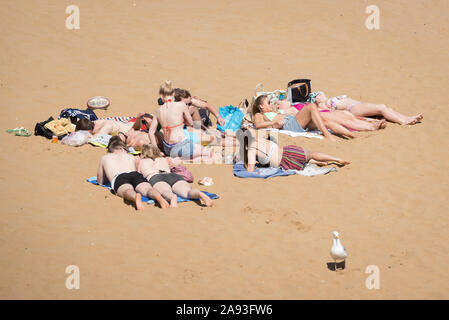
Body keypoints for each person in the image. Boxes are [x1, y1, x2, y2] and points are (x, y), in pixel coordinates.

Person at [149, 80, 217, 160]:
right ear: (173, 94)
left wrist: (157, 151)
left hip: (168, 149)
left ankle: (179, 158)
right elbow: (191, 123)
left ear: (161, 96)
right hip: (181, 146)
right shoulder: (181, 105)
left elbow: (150, 133)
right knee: (212, 155)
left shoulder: (158, 111)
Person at [96, 136, 169, 209]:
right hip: (135, 174)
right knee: (147, 189)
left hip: (119, 177)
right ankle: (158, 197)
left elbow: (100, 181)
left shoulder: (105, 157)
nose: (127, 151)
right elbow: (138, 170)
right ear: (121, 149)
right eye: (126, 150)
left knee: (127, 190)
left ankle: (135, 197)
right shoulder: (130, 156)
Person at [136, 144, 214, 207]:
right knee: (187, 192)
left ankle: (172, 197)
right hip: (172, 176)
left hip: (156, 177)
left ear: (143, 153)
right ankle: (199, 194)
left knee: (165, 191)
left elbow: (138, 174)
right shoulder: (163, 159)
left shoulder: (142, 161)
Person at [237, 130, 350, 172]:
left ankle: (317, 162)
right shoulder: (260, 138)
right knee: (311, 154)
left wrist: (246, 163)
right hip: (289, 150)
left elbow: (250, 170)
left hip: (286, 162)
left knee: (305, 160)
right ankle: (336, 159)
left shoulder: (251, 150)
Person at [252, 95, 341, 141]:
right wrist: (273, 124)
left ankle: (351, 135)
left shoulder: (273, 112)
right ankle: (327, 134)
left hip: (292, 120)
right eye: (268, 102)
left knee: (324, 121)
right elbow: (258, 125)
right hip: (290, 124)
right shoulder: (259, 114)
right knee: (311, 106)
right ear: (261, 106)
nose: (271, 104)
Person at [315, 92, 423, 125]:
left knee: (386, 108)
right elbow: (330, 114)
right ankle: (403, 121)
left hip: (359, 105)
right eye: (317, 95)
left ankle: (407, 117)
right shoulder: (322, 105)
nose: (321, 94)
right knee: (381, 107)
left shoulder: (327, 100)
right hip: (353, 108)